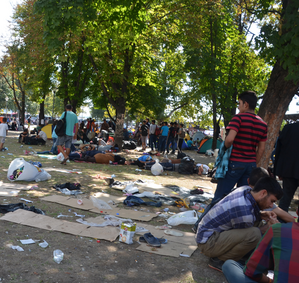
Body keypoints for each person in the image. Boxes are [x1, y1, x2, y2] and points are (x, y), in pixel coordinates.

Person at [196, 174, 283, 271]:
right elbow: (251, 231)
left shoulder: (246, 189)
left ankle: (230, 255)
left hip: (208, 234)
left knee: (257, 227)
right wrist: (267, 227)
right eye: (271, 201)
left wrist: (261, 214)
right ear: (263, 193)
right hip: (208, 243)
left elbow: (250, 213)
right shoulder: (243, 210)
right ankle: (219, 260)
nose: (271, 206)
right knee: (255, 234)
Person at [213, 91, 267, 202]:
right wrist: (253, 163)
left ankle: (207, 218)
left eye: (239, 103)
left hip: (234, 162)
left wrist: (226, 148)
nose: (238, 107)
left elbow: (229, 139)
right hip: (250, 165)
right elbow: (261, 149)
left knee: (220, 197)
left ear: (245, 104)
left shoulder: (239, 118)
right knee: (242, 198)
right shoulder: (263, 124)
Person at [222, 222, 299, 283]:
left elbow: (251, 272)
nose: (270, 205)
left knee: (229, 264)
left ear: (297, 211)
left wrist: (269, 281)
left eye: (273, 202)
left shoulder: (278, 229)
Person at [274, 121, 299, 212]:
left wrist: (278, 170)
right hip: (289, 170)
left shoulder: (289, 128)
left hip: (289, 170)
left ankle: (280, 223)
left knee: (285, 200)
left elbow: (279, 150)